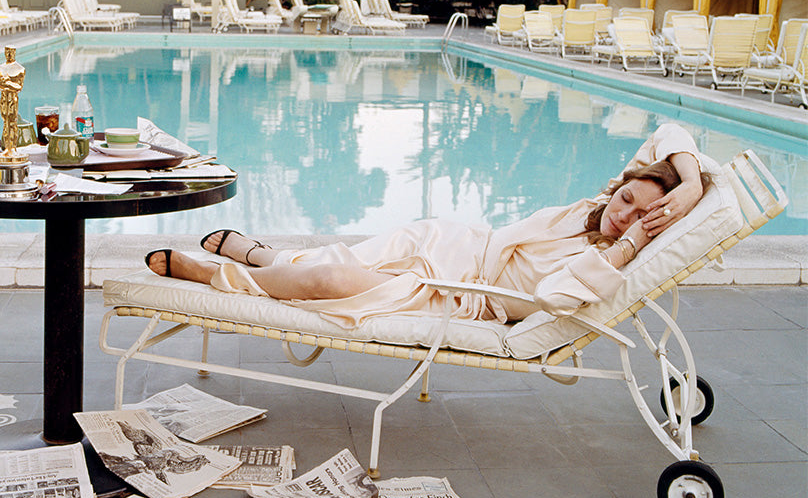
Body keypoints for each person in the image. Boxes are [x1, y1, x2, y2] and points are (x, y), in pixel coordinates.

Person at [145, 124, 710, 328]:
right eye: (628, 199)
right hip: (447, 243)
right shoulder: (596, 204)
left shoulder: (608, 262)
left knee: (332, 281)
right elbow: (670, 131)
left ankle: (219, 273)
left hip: (460, 298)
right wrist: (686, 187)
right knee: (341, 262)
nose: (623, 214)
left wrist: (634, 239)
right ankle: (261, 255)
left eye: (640, 216)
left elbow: (553, 298)